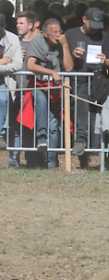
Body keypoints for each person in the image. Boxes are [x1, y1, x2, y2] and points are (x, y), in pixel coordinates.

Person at [26, 18, 73, 170]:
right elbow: (30, 65)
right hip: (37, 86)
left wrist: (65, 45)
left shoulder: (62, 44)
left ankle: (51, 163)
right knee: (40, 100)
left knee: (54, 125)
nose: (57, 35)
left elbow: (68, 68)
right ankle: (41, 138)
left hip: (55, 89)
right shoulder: (36, 42)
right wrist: (52, 71)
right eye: (54, 32)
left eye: (59, 31)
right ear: (45, 34)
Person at [64, 7, 109, 157]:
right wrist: (72, 54)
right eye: (93, 26)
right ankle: (81, 139)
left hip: (99, 79)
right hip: (78, 79)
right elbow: (64, 62)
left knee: (94, 114)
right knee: (82, 103)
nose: (95, 30)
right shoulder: (70, 34)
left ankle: (94, 146)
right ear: (84, 20)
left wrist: (105, 61)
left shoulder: (104, 36)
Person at [10, 11, 40, 168]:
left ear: (31, 25)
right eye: (17, 23)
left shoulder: (38, 42)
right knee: (15, 126)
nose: (18, 26)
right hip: (15, 90)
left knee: (30, 126)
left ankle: (31, 159)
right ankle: (13, 160)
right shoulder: (14, 42)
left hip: (32, 91)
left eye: (21, 23)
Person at [0, 13, 22, 155]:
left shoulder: (12, 38)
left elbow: (18, 64)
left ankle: (0, 134)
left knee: (3, 99)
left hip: (2, 81)